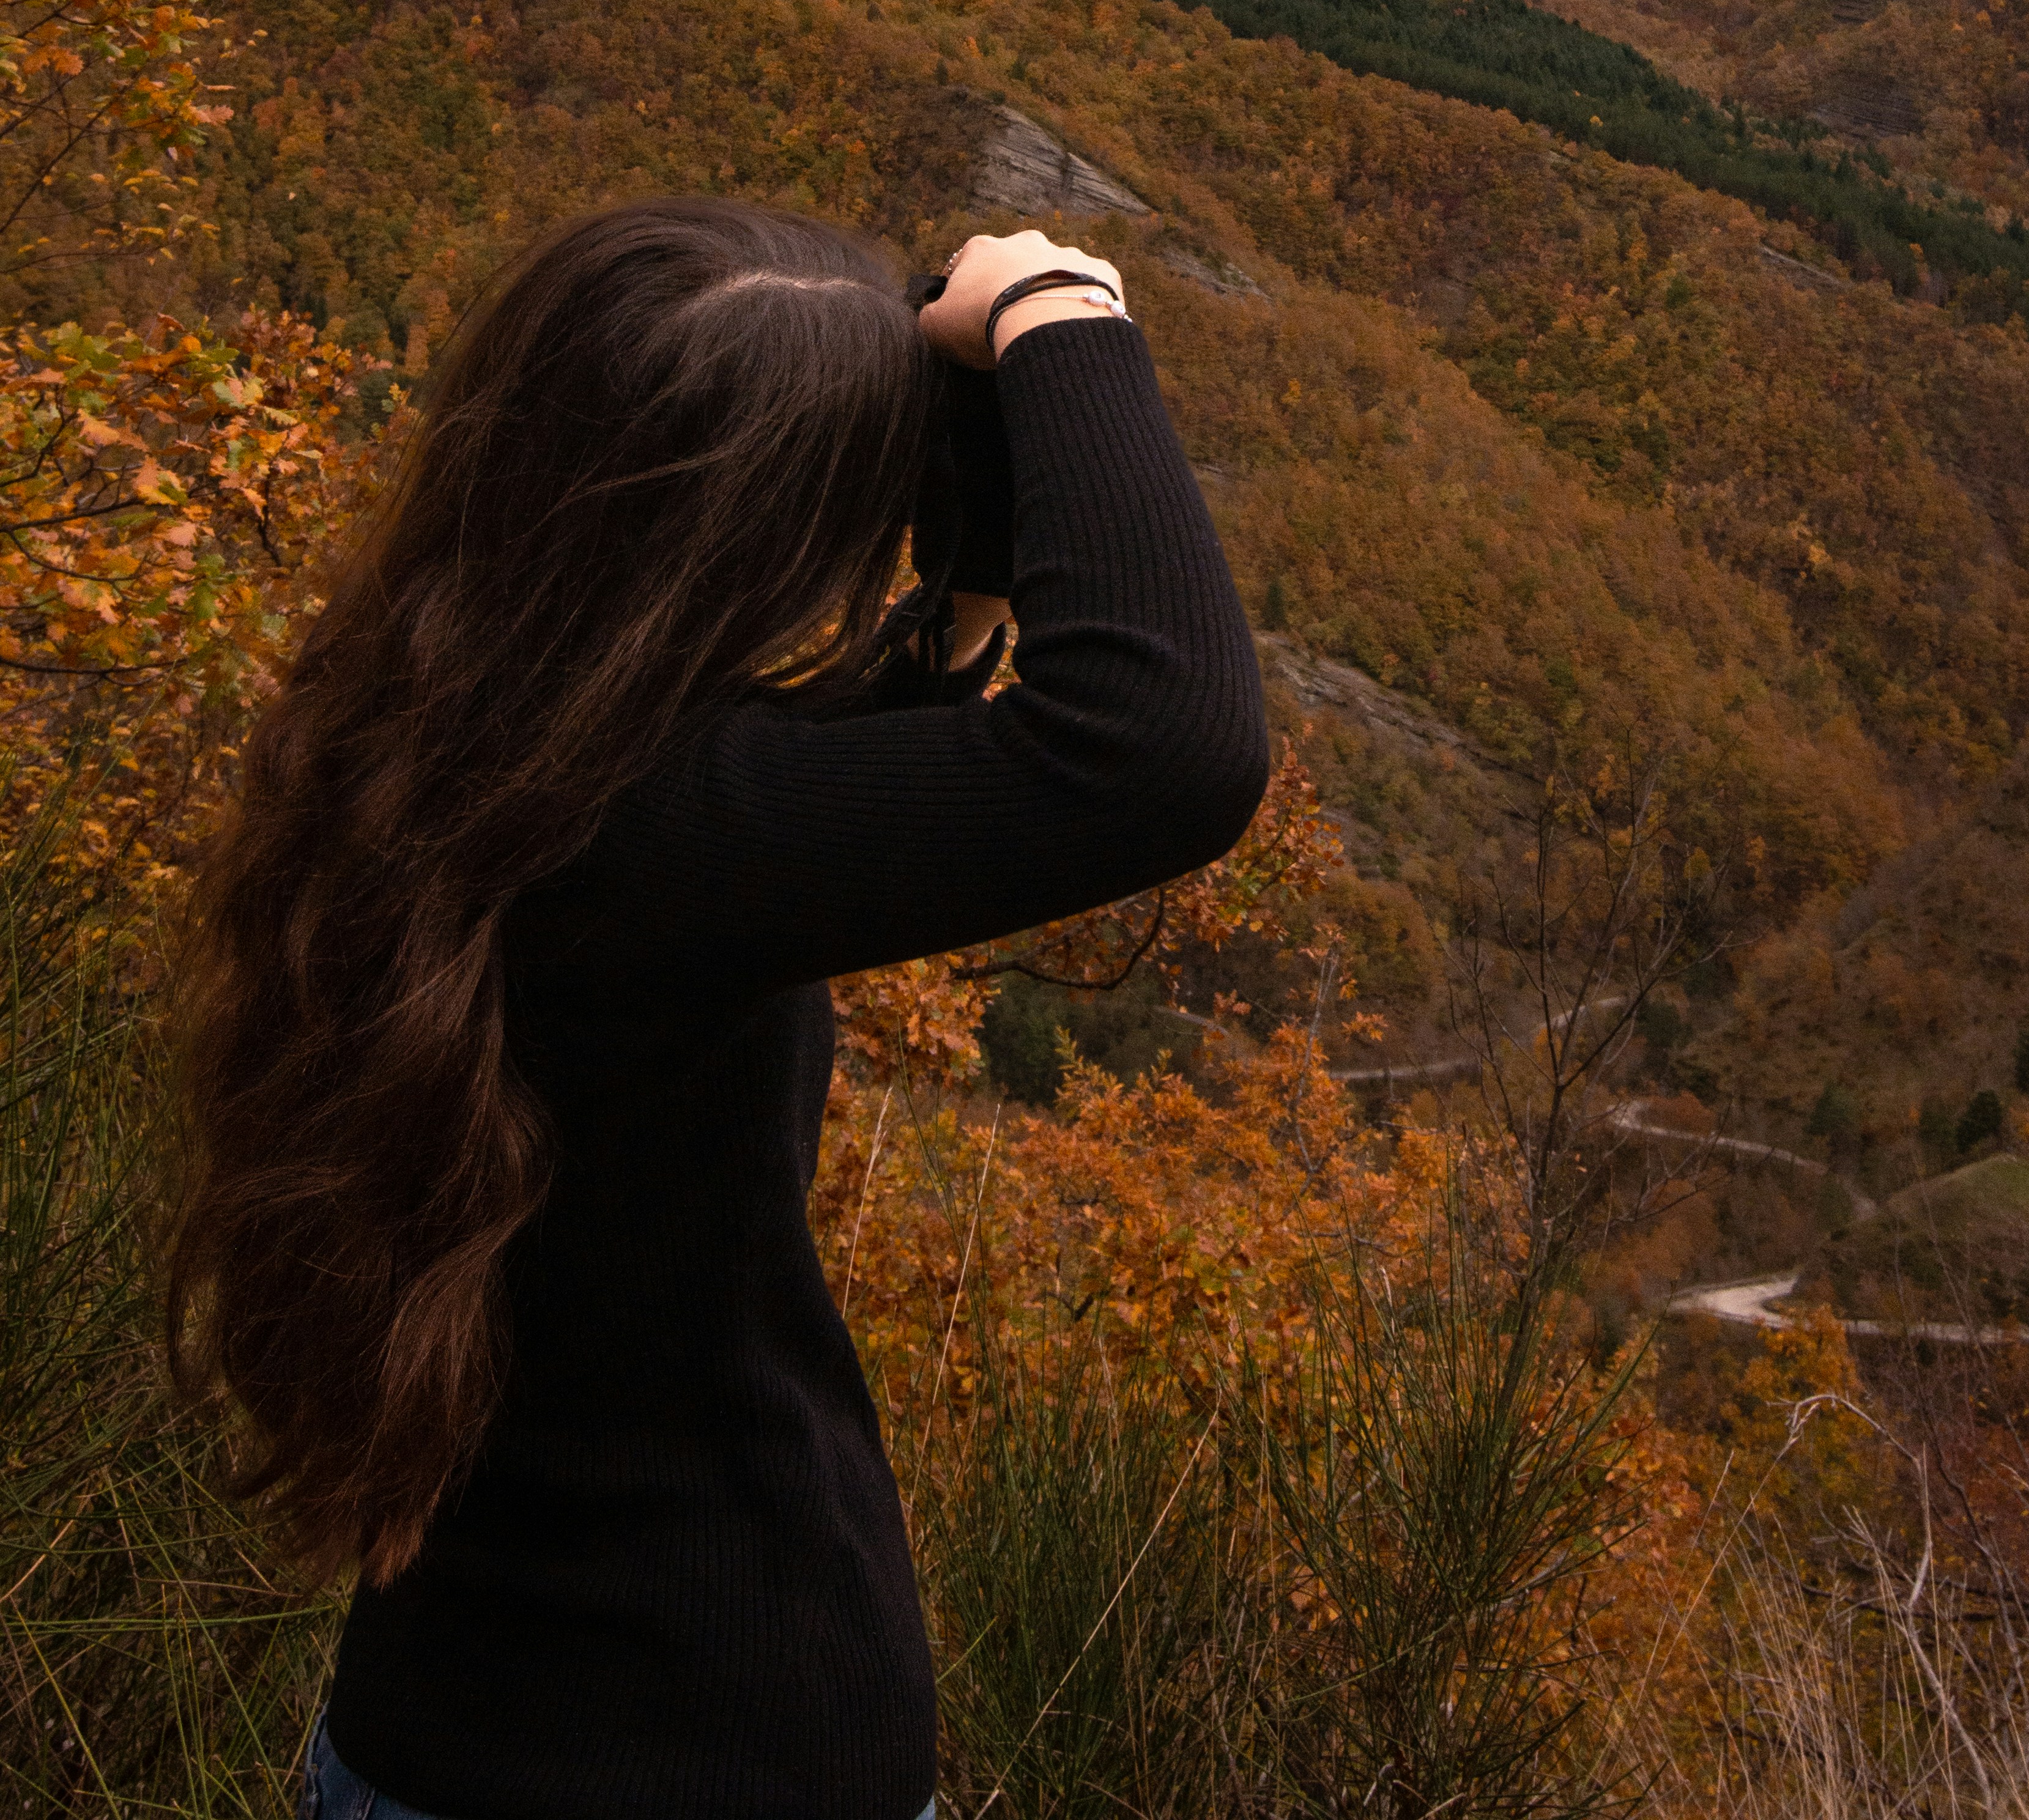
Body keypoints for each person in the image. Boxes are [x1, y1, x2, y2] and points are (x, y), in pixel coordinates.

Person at [167, 199, 1269, 1820]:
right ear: (748, 548)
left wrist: (963, 549)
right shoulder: (657, 841)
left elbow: (832, 775)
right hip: (711, 1745)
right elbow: (1167, 740)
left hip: (431, 1731)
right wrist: (1059, 313)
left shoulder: (431, 745)